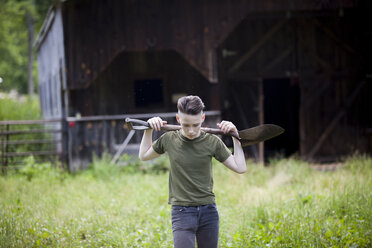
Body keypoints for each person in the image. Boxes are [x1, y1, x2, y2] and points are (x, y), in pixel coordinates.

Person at [139, 95, 246, 248]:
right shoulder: (169, 139)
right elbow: (143, 156)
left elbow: (240, 167)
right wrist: (148, 129)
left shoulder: (212, 141)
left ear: (203, 118)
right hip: (181, 212)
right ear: (178, 118)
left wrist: (236, 136)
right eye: (185, 125)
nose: (190, 131)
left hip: (208, 211)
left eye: (195, 125)